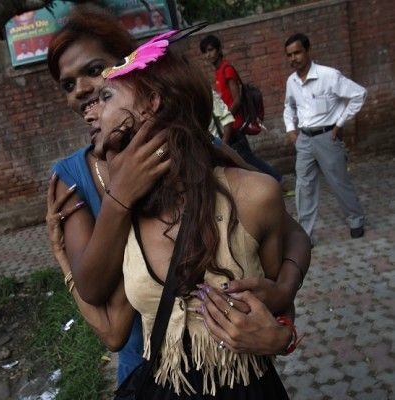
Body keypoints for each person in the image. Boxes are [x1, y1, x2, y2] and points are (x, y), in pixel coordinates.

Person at [46, 6, 310, 384]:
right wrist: (120, 198)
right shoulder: (69, 179)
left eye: (93, 71)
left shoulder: (199, 150)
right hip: (146, 373)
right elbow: (107, 317)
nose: (83, 91)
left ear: (129, 67)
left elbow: (289, 231)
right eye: (68, 84)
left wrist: (283, 297)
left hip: (235, 370)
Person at [283, 33, 366, 242]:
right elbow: (288, 106)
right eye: (289, 55)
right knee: (303, 186)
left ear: (308, 51)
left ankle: (356, 219)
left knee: (339, 181)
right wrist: (290, 129)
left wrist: (340, 122)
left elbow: (359, 94)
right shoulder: (291, 81)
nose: (294, 58)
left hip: (327, 137)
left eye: (297, 52)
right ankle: (305, 235)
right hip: (304, 140)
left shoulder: (329, 76)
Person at [199, 35, 281, 182]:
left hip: (234, 124)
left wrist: (226, 118)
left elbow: (237, 99)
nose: (208, 55)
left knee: (248, 160)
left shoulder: (226, 69)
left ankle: (276, 180)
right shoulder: (218, 71)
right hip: (230, 125)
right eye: (205, 52)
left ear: (218, 50)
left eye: (211, 50)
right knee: (245, 160)